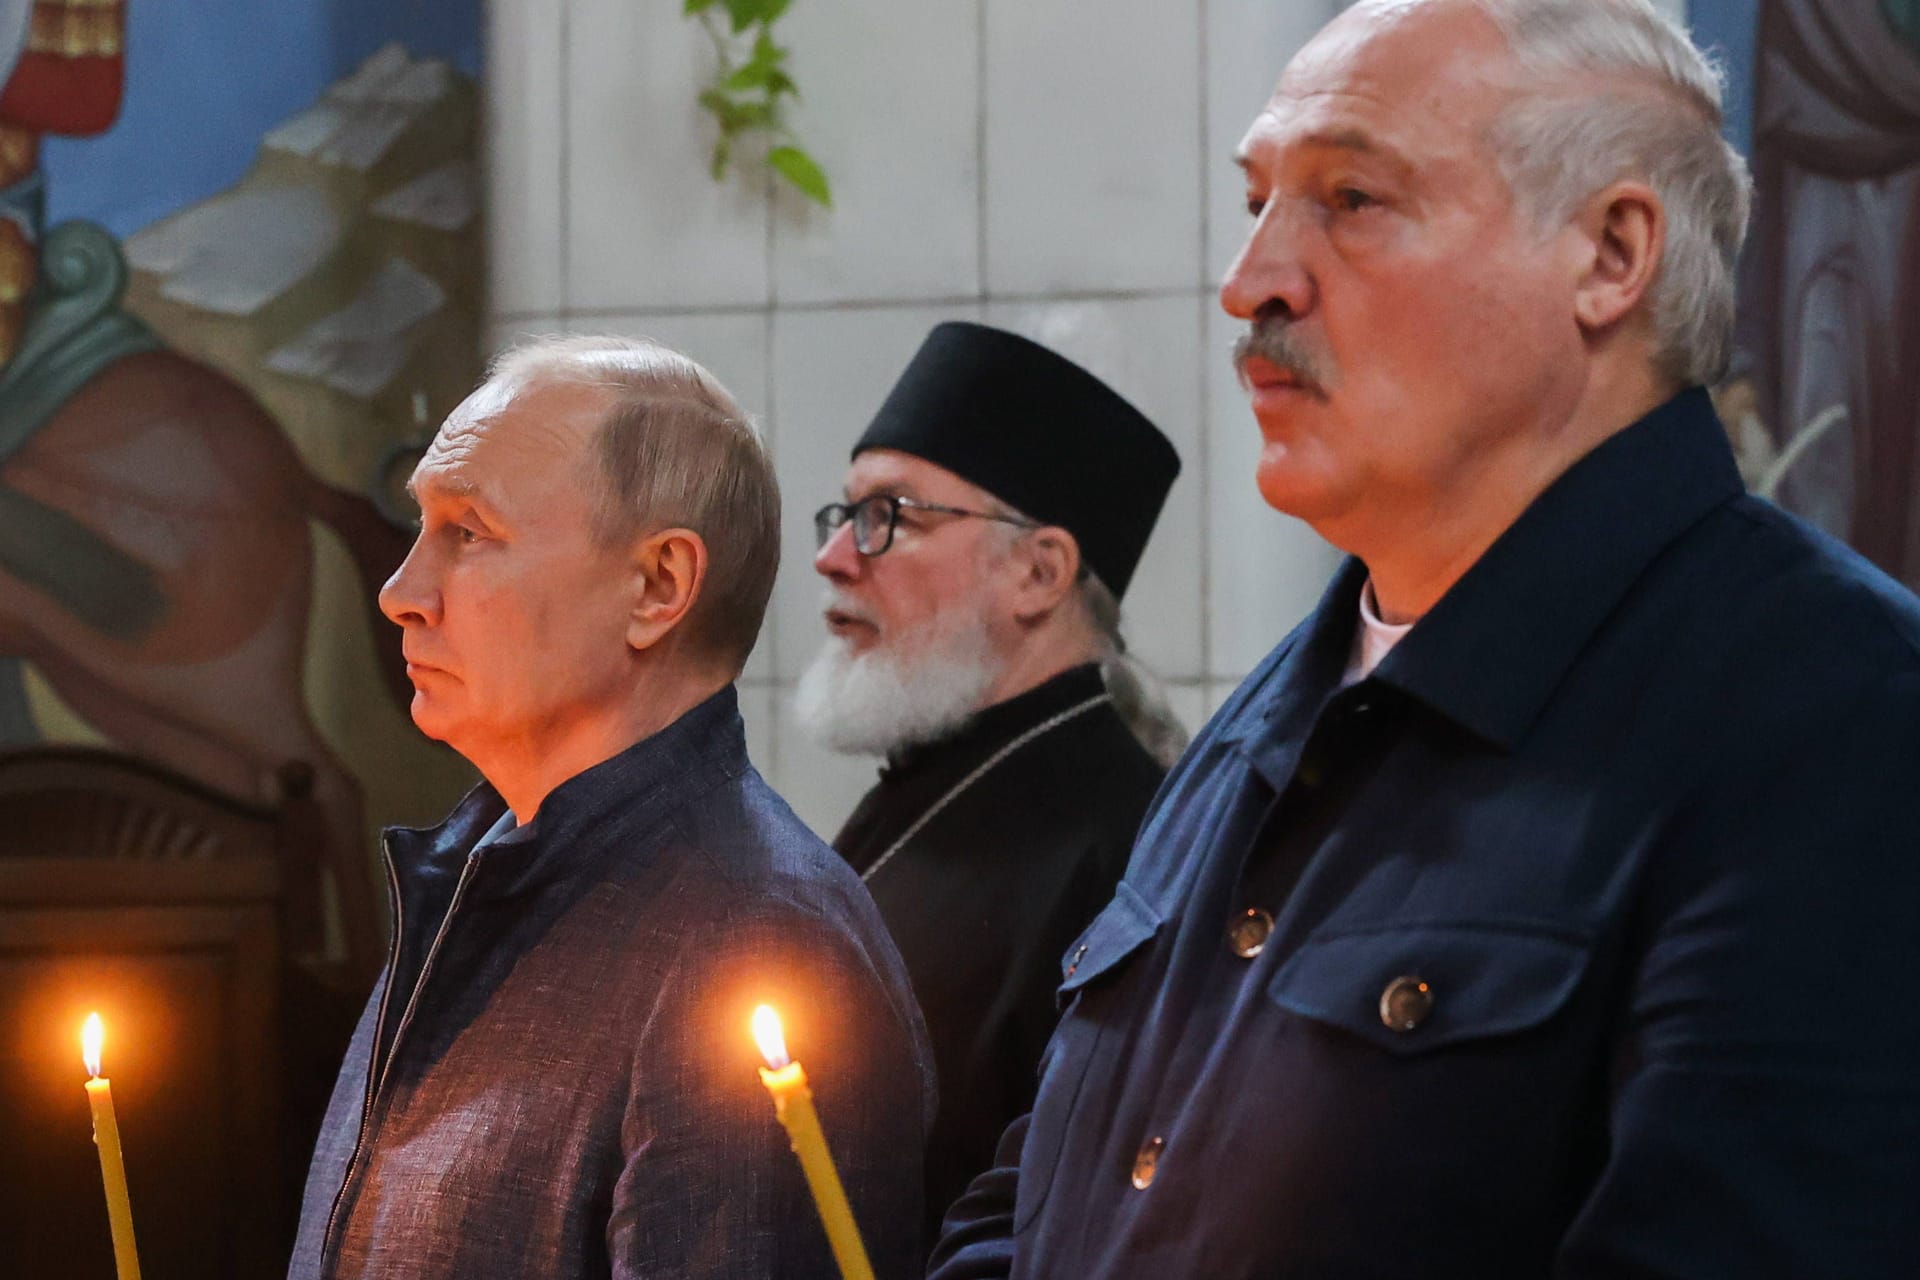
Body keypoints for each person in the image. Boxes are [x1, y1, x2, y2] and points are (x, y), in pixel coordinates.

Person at [931, 2, 1920, 1277]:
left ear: (1611, 255)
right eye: (1258, 205)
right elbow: (1035, 1210)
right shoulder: (1267, 719)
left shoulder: (1835, 720)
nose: (1253, 284)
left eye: (1352, 198)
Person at [287, 335, 934, 1280]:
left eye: (468, 532)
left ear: (657, 585)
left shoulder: (756, 942)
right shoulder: (480, 874)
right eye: (419, 526)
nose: (399, 593)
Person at [795, 321, 1184, 1256]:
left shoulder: (1127, 851)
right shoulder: (931, 780)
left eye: (891, 515)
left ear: (1040, 572)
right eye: (845, 515)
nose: (837, 556)